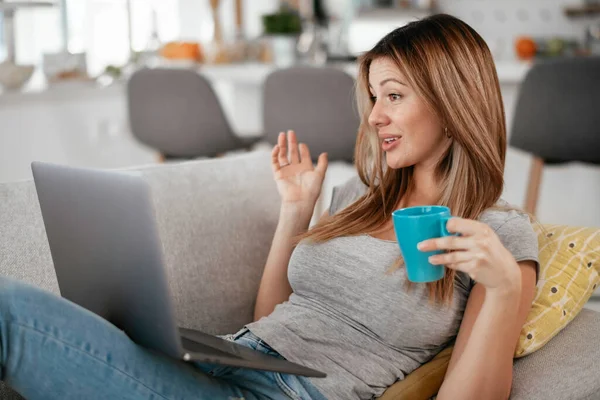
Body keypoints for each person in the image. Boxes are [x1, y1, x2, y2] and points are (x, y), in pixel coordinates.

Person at [0, 13, 538, 400]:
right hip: (229, 360)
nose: (374, 117)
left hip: (284, 393)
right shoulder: (357, 198)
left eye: (393, 96)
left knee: (8, 310)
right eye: (373, 97)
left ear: (453, 103)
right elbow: (270, 321)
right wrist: (294, 212)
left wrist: (504, 288)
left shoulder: (497, 234)